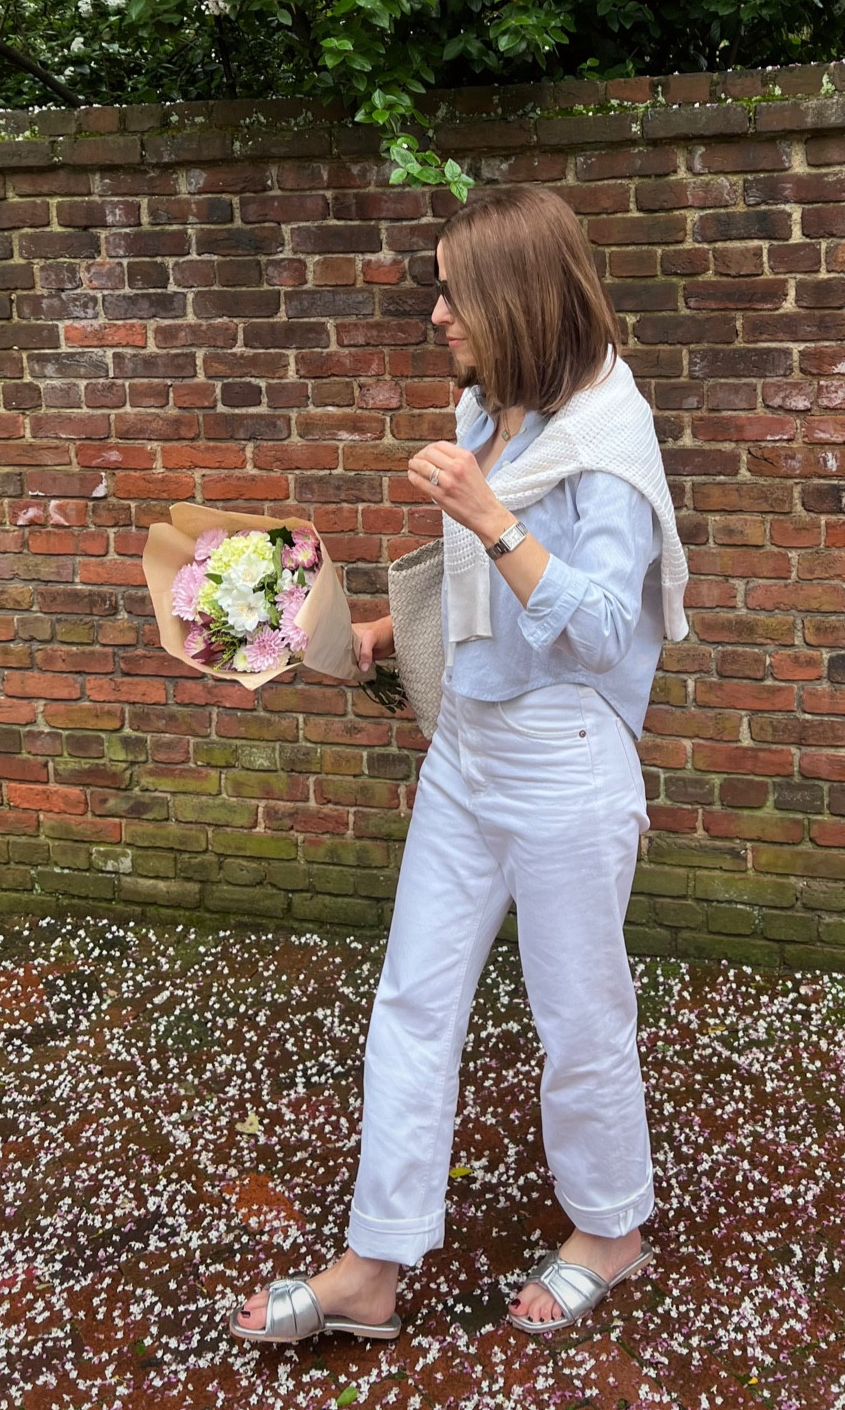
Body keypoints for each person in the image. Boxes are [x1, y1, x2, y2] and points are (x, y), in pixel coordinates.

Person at [229, 183, 688, 1343]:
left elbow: (599, 628)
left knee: (578, 1016)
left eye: (454, 293)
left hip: (566, 763)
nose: (436, 314)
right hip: (467, 755)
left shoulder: (606, 440)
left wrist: (492, 517)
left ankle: (611, 1230)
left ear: (518, 297)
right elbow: (485, 601)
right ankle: (372, 1267)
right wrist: (373, 637)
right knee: (412, 1003)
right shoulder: (492, 407)